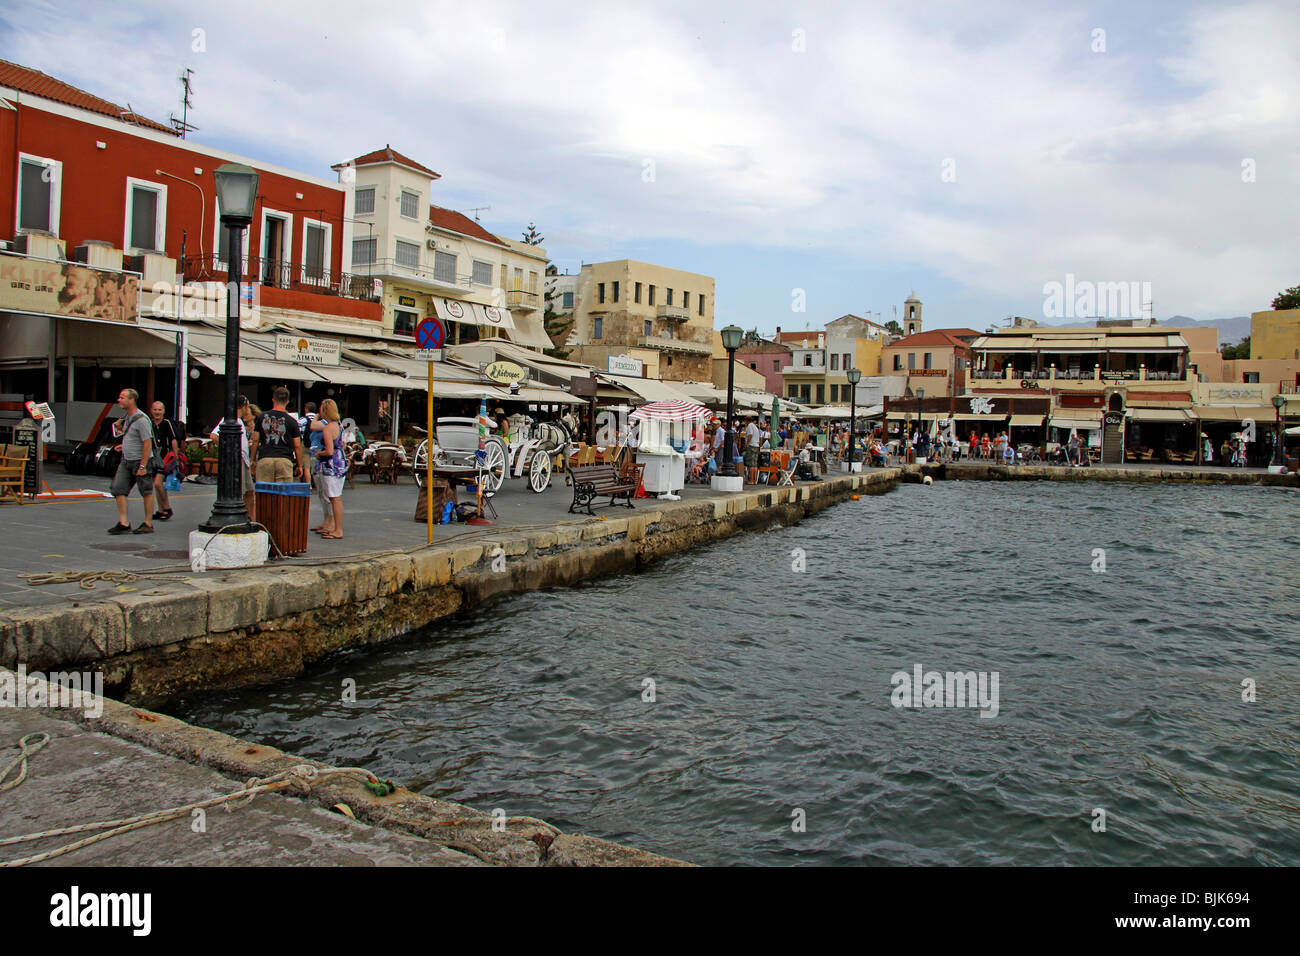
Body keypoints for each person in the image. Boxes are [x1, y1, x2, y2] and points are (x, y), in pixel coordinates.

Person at [108, 388, 156, 534]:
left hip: (140, 461)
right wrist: (124, 446)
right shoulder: (128, 417)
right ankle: (124, 522)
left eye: (122, 398)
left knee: (146, 491)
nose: (119, 400)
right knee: (118, 488)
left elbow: (147, 443)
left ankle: (148, 523)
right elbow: (133, 437)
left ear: (131, 400)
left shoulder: (141, 419)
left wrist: (143, 465)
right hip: (126, 460)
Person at [211, 395, 257, 521]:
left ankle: (250, 517)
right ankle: (245, 517)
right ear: (245, 406)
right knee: (242, 491)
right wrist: (230, 449)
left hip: (243, 459)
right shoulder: (230, 420)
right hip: (238, 459)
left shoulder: (239, 421)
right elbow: (214, 436)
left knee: (249, 491)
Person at [312, 399, 347, 539]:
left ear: (325, 411)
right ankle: (336, 527)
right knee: (336, 497)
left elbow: (329, 451)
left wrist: (319, 453)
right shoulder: (339, 425)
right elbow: (341, 445)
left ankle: (338, 529)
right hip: (341, 463)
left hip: (330, 466)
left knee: (334, 498)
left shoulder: (327, 428)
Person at [254, 386, 304, 482]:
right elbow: (297, 446)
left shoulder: (261, 417)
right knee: (282, 494)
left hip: (265, 458)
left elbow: (256, 440)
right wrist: (299, 465)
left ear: (273, 400)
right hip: (284, 460)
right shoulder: (292, 421)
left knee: (264, 493)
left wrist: (252, 460)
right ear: (287, 401)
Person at [149, 400, 181, 520]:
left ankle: (167, 508)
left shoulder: (167, 423)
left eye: (159, 410)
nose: (157, 412)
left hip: (165, 457)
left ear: (163, 411)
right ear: (151, 411)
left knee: (158, 483)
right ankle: (160, 510)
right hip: (154, 457)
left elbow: (173, 439)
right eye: (155, 410)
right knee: (157, 485)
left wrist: (175, 456)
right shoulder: (150, 423)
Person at [744, 417, 763, 484]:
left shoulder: (750, 426)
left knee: (751, 464)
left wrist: (747, 444)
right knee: (755, 464)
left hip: (751, 446)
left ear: (747, 421)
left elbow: (750, 435)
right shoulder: (755, 427)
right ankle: (754, 480)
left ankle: (751, 480)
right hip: (756, 446)